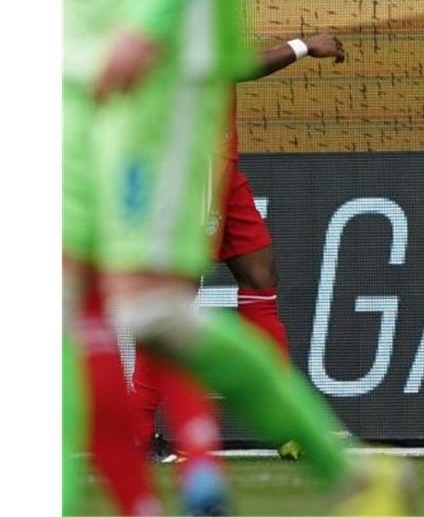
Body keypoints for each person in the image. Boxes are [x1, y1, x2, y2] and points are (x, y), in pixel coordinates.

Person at [63, 0, 405, 513]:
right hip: (78, 84)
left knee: (166, 301)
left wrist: (147, 24)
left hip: (164, 92)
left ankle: (300, 458)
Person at [133, 34, 347, 479]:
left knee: (259, 272)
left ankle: (288, 425)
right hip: (193, 167)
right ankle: (136, 434)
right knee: (172, 298)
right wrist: (304, 46)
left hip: (223, 165)